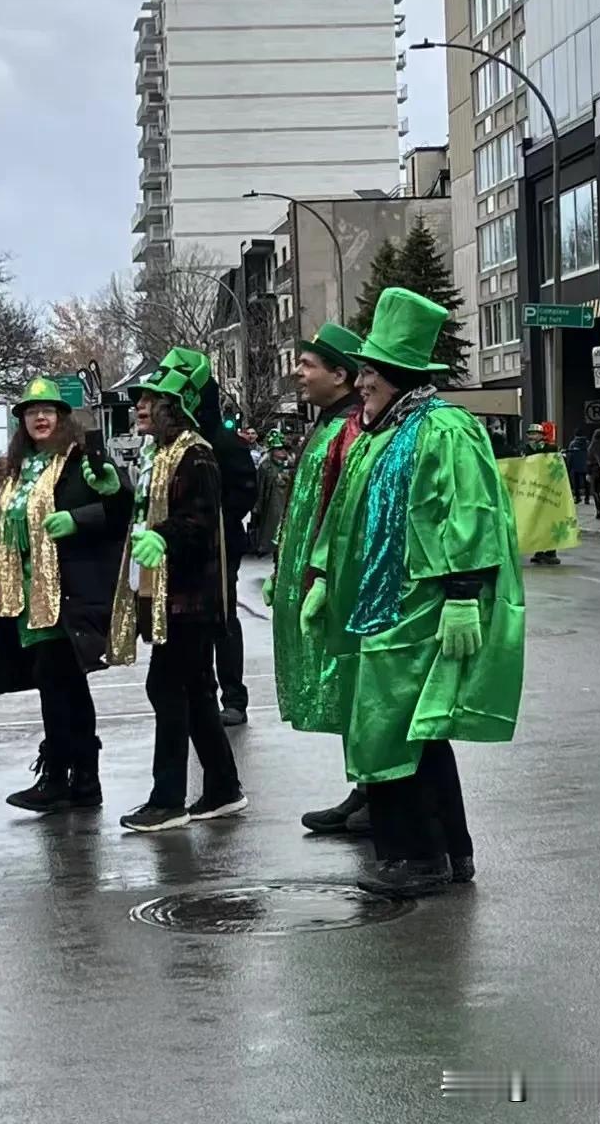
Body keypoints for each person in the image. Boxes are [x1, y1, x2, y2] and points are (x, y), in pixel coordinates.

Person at [300, 288, 525, 899]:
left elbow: (470, 511)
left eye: (369, 371)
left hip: (420, 608)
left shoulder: (443, 428)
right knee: (407, 733)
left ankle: (417, 857)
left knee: (396, 729)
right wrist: (321, 575)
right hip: (379, 608)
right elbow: (345, 513)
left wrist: (460, 592)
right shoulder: (380, 432)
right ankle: (448, 852)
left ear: (395, 374)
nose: (362, 382)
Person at [0, 377, 130, 812]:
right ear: (22, 421)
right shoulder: (15, 472)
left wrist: (79, 519)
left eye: (49, 410)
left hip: (67, 596)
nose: (40, 417)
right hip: (24, 600)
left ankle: (67, 776)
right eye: (31, 411)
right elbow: (10, 543)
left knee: (62, 685)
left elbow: (121, 512)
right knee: (58, 686)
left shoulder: (80, 463)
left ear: (62, 418)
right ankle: (75, 779)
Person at [109, 349, 245, 833]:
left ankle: (168, 798)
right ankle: (224, 787)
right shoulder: (160, 453)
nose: (142, 406)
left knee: (167, 687)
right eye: (141, 398)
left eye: (153, 398)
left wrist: (162, 535)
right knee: (194, 691)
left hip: (191, 599)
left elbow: (202, 522)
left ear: (177, 405)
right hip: (166, 596)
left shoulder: (195, 452)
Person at [266, 322, 367, 836]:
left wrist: (322, 574)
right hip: (314, 574)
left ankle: (375, 791)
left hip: (340, 580)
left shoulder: (349, 429)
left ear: (341, 374)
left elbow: (340, 511)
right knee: (346, 686)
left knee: (354, 683)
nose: (298, 374)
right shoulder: (327, 424)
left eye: (308, 365)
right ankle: (366, 788)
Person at [194, 364, 258, 726]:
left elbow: (245, 489)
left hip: (221, 544)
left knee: (224, 619)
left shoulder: (223, 442)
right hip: (191, 546)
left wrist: (219, 519)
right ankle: (202, 690)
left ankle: (233, 695)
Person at [251, 431, 293, 557]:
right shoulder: (265, 467)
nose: (283, 452)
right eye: (279, 449)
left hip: (287, 505)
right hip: (271, 507)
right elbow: (260, 487)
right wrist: (256, 507)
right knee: (273, 535)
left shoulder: (290, 466)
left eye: (285, 449)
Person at [524, 423, 561, 564]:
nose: (532, 436)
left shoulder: (551, 448)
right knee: (536, 521)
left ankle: (551, 551)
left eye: (535, 434)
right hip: (532, 489)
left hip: (549, 489)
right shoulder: (525, 450)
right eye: (530, 434)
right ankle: (539, 551)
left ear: (541, 436)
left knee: (550, 520)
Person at [566, 429, 590, 503]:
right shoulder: (587, 443)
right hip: (586, 465)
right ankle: (587, 498)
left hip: (575, 466)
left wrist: (568, 466)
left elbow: (570, 456)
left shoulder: (573, 444)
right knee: (586, 482)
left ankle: (578, 497)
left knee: (576, 483)